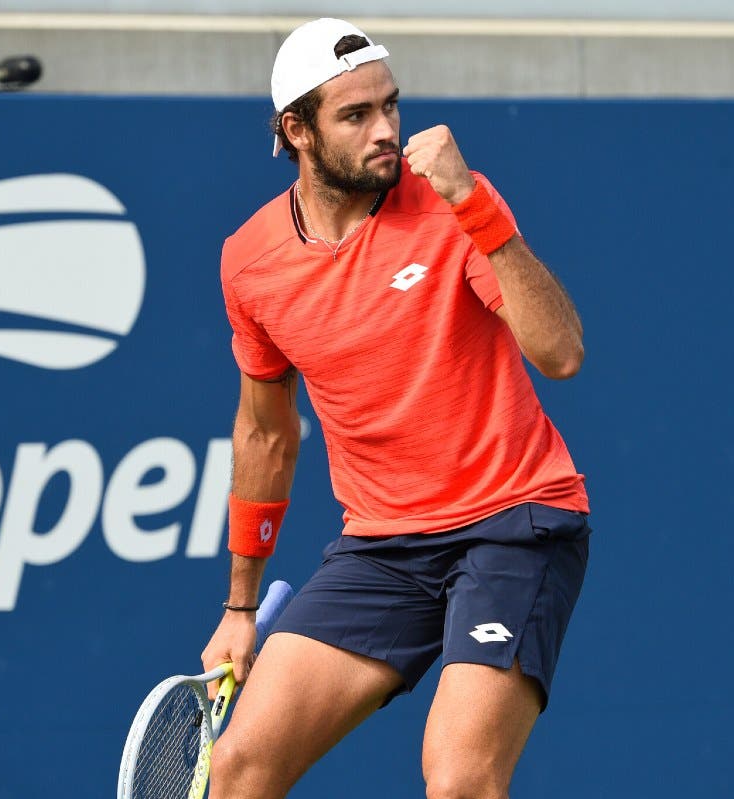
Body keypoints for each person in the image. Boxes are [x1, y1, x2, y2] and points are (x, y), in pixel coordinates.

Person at [202, 17, 591, 799]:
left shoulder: (453, 207)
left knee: (458, 780)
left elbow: (561, 352)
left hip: (514, 525)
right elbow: (266, 436)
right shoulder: (249, 262)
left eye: (391, 106)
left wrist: (473, 201)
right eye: (356, 115)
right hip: (382, 548)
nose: (386, 131)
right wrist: (240, 607)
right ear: (296, 131)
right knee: (239, 768)